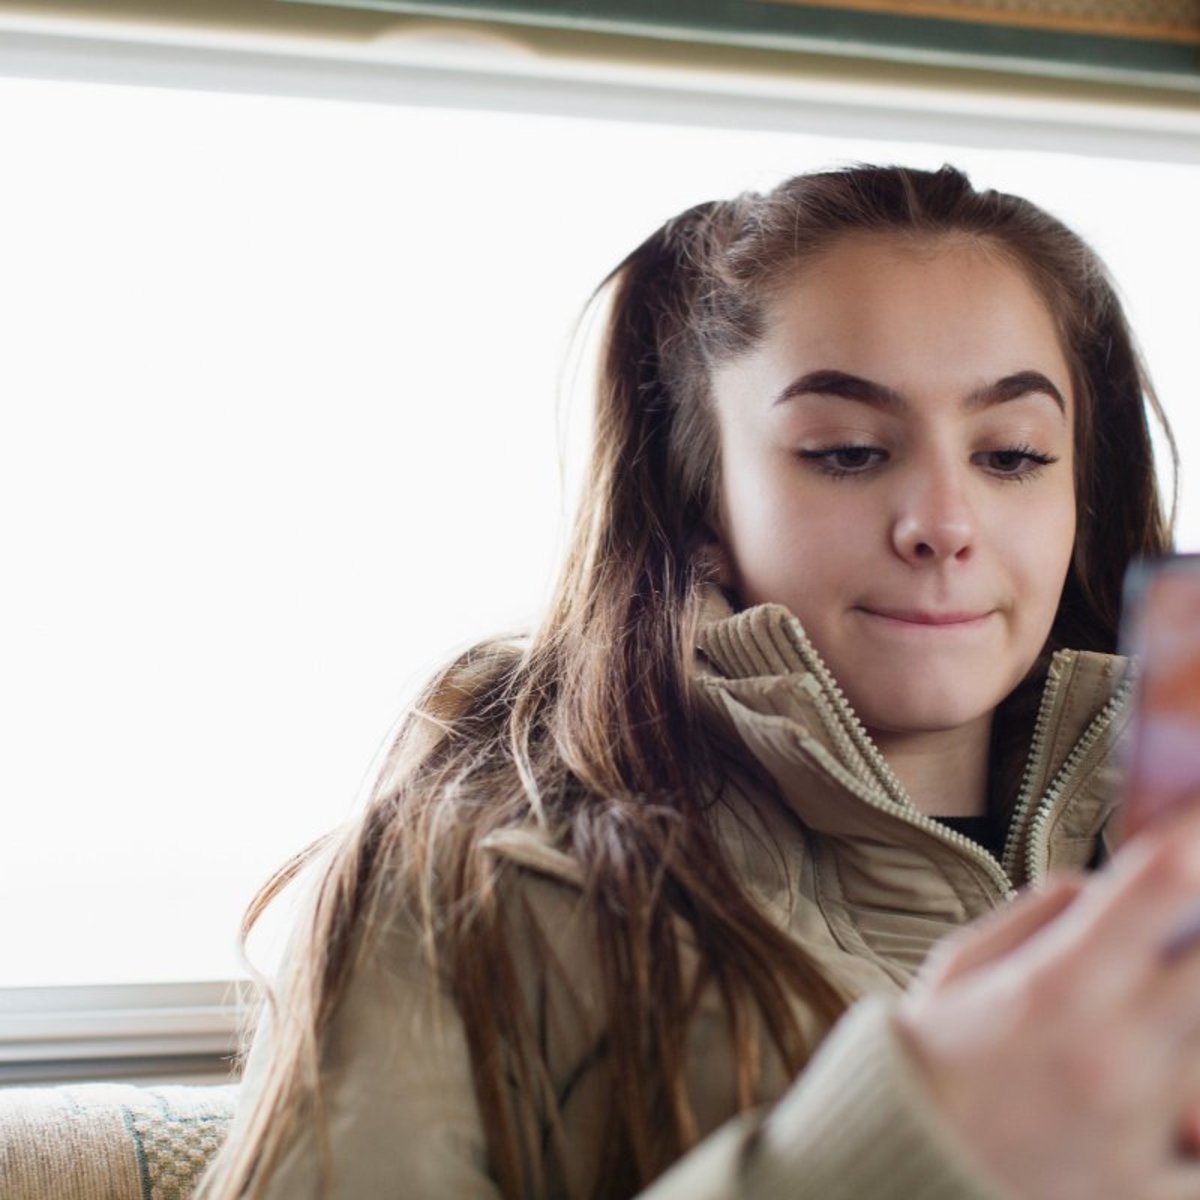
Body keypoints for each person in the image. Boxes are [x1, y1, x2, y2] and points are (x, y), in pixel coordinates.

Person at [197, 163, 1200, 1200]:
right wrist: (908, 1136)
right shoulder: (466, 888)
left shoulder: (1167, 854)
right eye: (848, 453)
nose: (944, 524)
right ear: (698, 505)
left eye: (1013, 456)